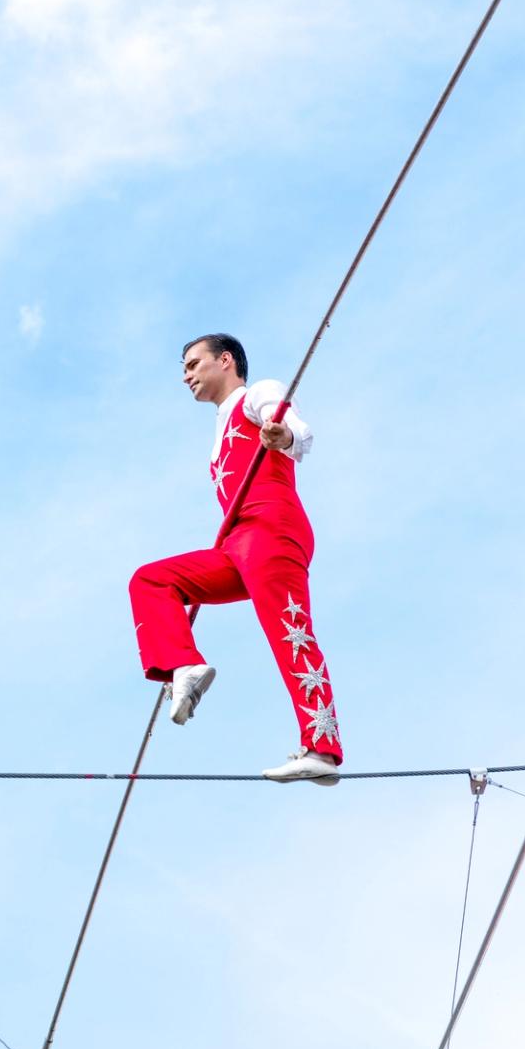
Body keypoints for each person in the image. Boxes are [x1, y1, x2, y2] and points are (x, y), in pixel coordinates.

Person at [128, 334, 342, 784]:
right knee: (151, 581)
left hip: (271, 531)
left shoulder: (255, 395)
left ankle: (322, 748)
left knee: (290, 633)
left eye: (193, 364)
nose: (186, 375)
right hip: (237, 545)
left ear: (225, 361)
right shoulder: (219, 434)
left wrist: (282, 434)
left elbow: (287, 423)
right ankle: (184, 664)